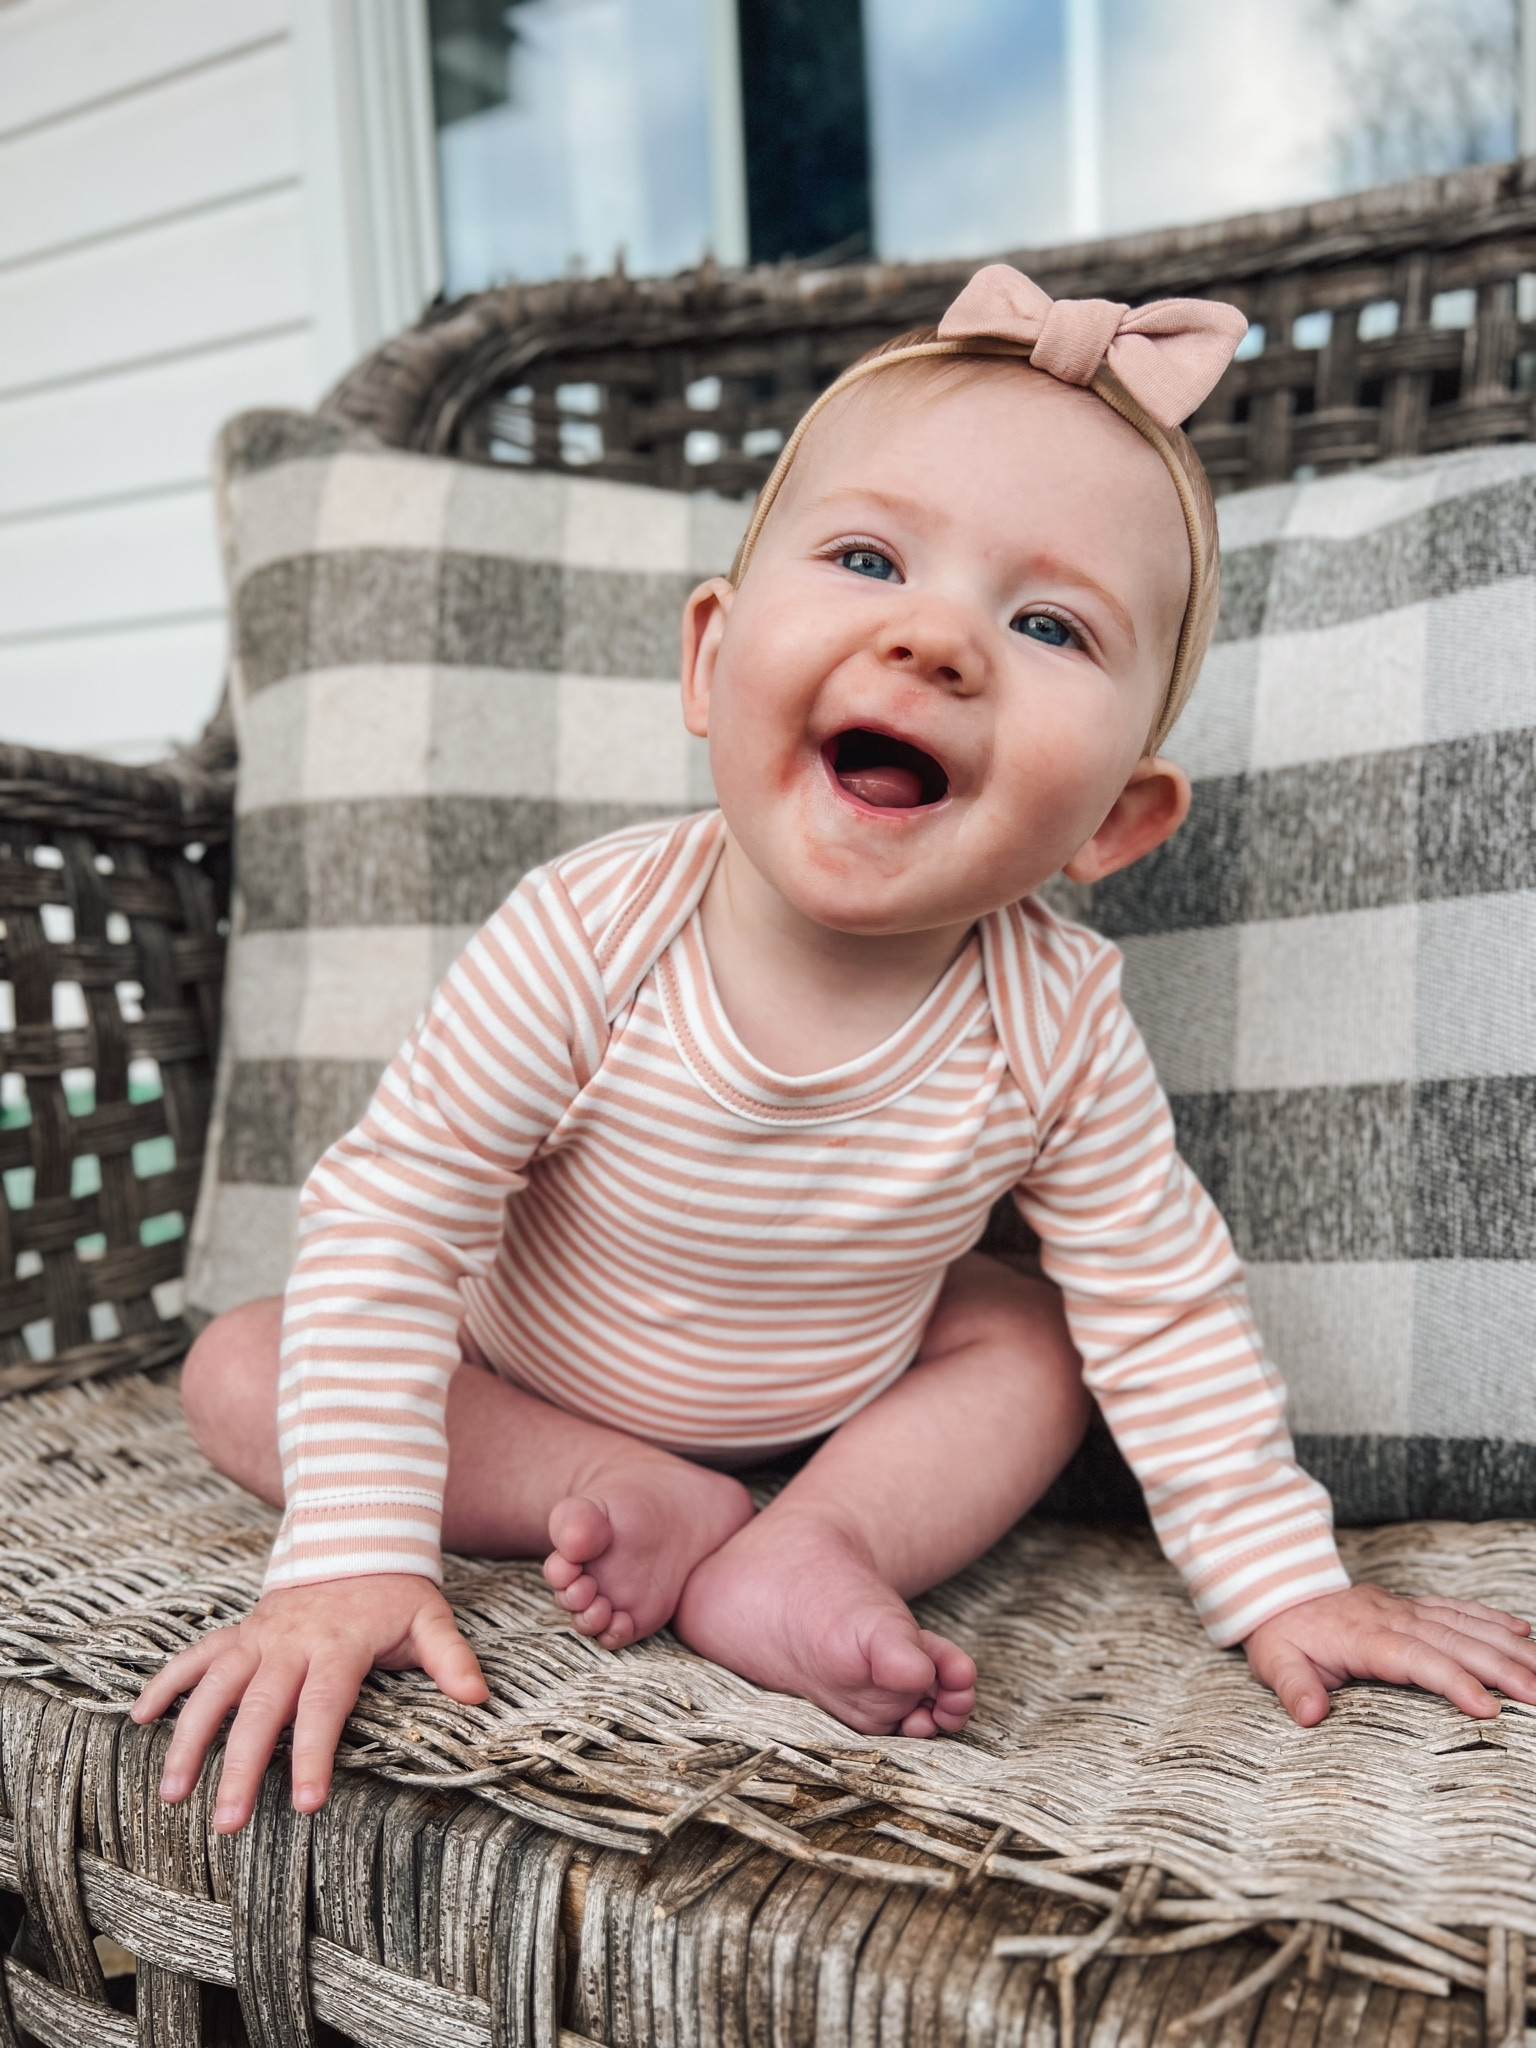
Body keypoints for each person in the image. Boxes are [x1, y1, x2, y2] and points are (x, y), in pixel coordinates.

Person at [135, 267, 1536, 1835]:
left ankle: (817, 1543)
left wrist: (1288, 1583)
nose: (936, 640)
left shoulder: (1056, 1015)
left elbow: (1164, 1306)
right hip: (515, 1378)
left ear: (1116, 820)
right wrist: (350, 1558)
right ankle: (624, 1491)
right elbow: (399, 1220)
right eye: (869, 559)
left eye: (1050, 624)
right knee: (242, 1363)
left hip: (844, 1409)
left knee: (1038, 1336)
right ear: (710, 658)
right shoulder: (590, 933)